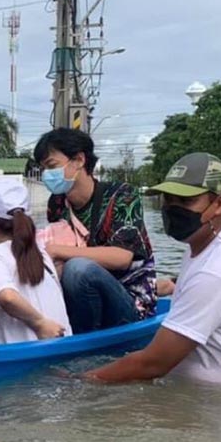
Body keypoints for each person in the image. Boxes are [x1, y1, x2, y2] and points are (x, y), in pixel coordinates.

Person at [80, 153, 221, 390]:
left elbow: (153, 364)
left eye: (185, 201)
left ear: (219, 205)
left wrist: (81, 381)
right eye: (168, 200)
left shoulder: (217, 270)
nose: (172, 209)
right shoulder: (213, 246)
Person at [34, 128, 157, 333]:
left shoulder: (123, 196)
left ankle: (82, 342)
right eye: (43, 169)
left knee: (78, 269)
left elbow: (121, 257)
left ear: (79, 160)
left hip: (129, 302)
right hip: (79, 299)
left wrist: (55, 250)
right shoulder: (57, 204)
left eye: (52, 166)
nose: (47, 174)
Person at [0, 178, 72, 344]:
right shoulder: (40, 252)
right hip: (63, 347)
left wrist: (39, 324)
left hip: (25, 355)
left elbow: (8, 297)